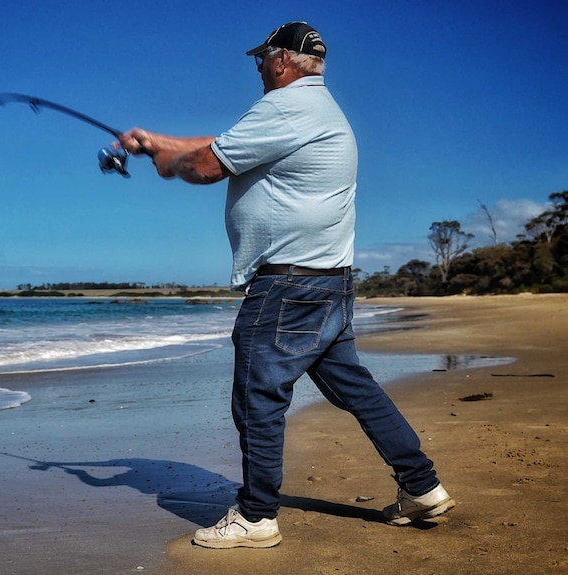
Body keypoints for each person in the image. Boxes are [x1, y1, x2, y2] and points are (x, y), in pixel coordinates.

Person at [117, 21, 454, 550]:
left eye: (259, 60)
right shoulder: (316, 109)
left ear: (279, 61)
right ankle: (422, 485)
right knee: (356, 390)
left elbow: (209, 165)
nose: (255, 69)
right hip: (328, 284)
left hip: (288, 287)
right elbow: (221, 145)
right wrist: (160, 143)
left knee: (257, 396)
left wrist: (173, 164)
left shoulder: (285, 108)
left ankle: (255, 516)